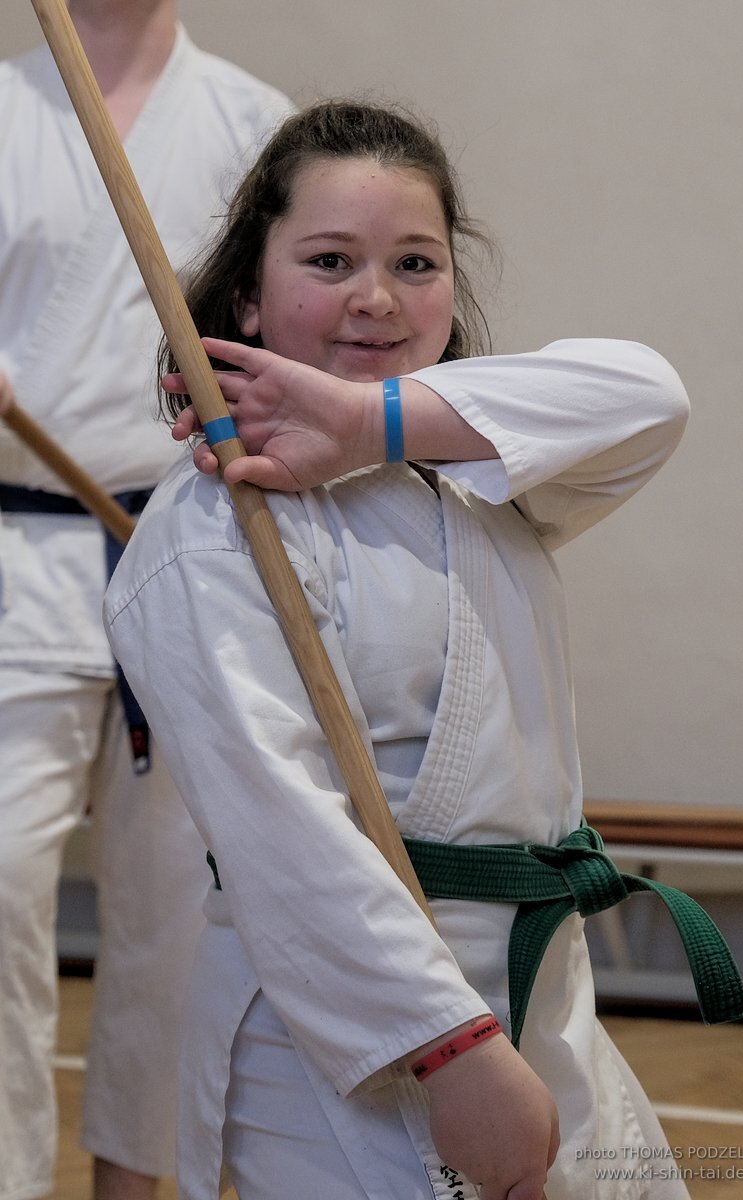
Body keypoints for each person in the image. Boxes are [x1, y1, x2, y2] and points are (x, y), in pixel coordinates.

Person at [103, 100, 743, 1200]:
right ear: (247, 296)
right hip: (356, 1036)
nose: (375, 296)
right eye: (328, 259)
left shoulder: (469, 474)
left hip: (541, 995)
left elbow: (648, 396)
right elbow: (280, 837)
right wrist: (447, 1051)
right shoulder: (215, 524)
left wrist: (365, 426)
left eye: (414, 261)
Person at [0, 3, 293, 1199]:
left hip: (189, 552)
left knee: (178, 917)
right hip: (16, 557)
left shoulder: (251, 123)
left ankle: (139, 1183)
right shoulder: (7, 104)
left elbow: (285, 335)